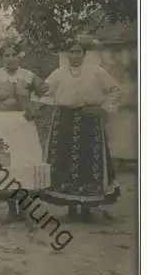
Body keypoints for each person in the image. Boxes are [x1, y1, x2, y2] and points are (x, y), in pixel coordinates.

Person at [39, 38, 121, 221]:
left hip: (89, 121)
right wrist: (40, 101)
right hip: (64, 121)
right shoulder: (58, 74)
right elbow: (44, 92)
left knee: (89, 161)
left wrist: (103, 108)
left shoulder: (97, 72)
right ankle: (70, 209)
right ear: (67, 54)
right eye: (72, 51)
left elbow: (115, 90)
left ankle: (86, 208)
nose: (75, 55)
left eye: (79, 52)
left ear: (84, 54)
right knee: (64, 161)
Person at [0, 40, 44, 222]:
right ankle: (11, 208)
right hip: (3, 123)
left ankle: (26, 208)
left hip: (24, 124)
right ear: (2, 58)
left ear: (19, 56)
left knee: (26, 161)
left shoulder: (28, 76)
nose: (9, 59)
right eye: (6, 55)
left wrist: (34, 108)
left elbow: (47, 91)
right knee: (6, 164)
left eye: (13, 55)